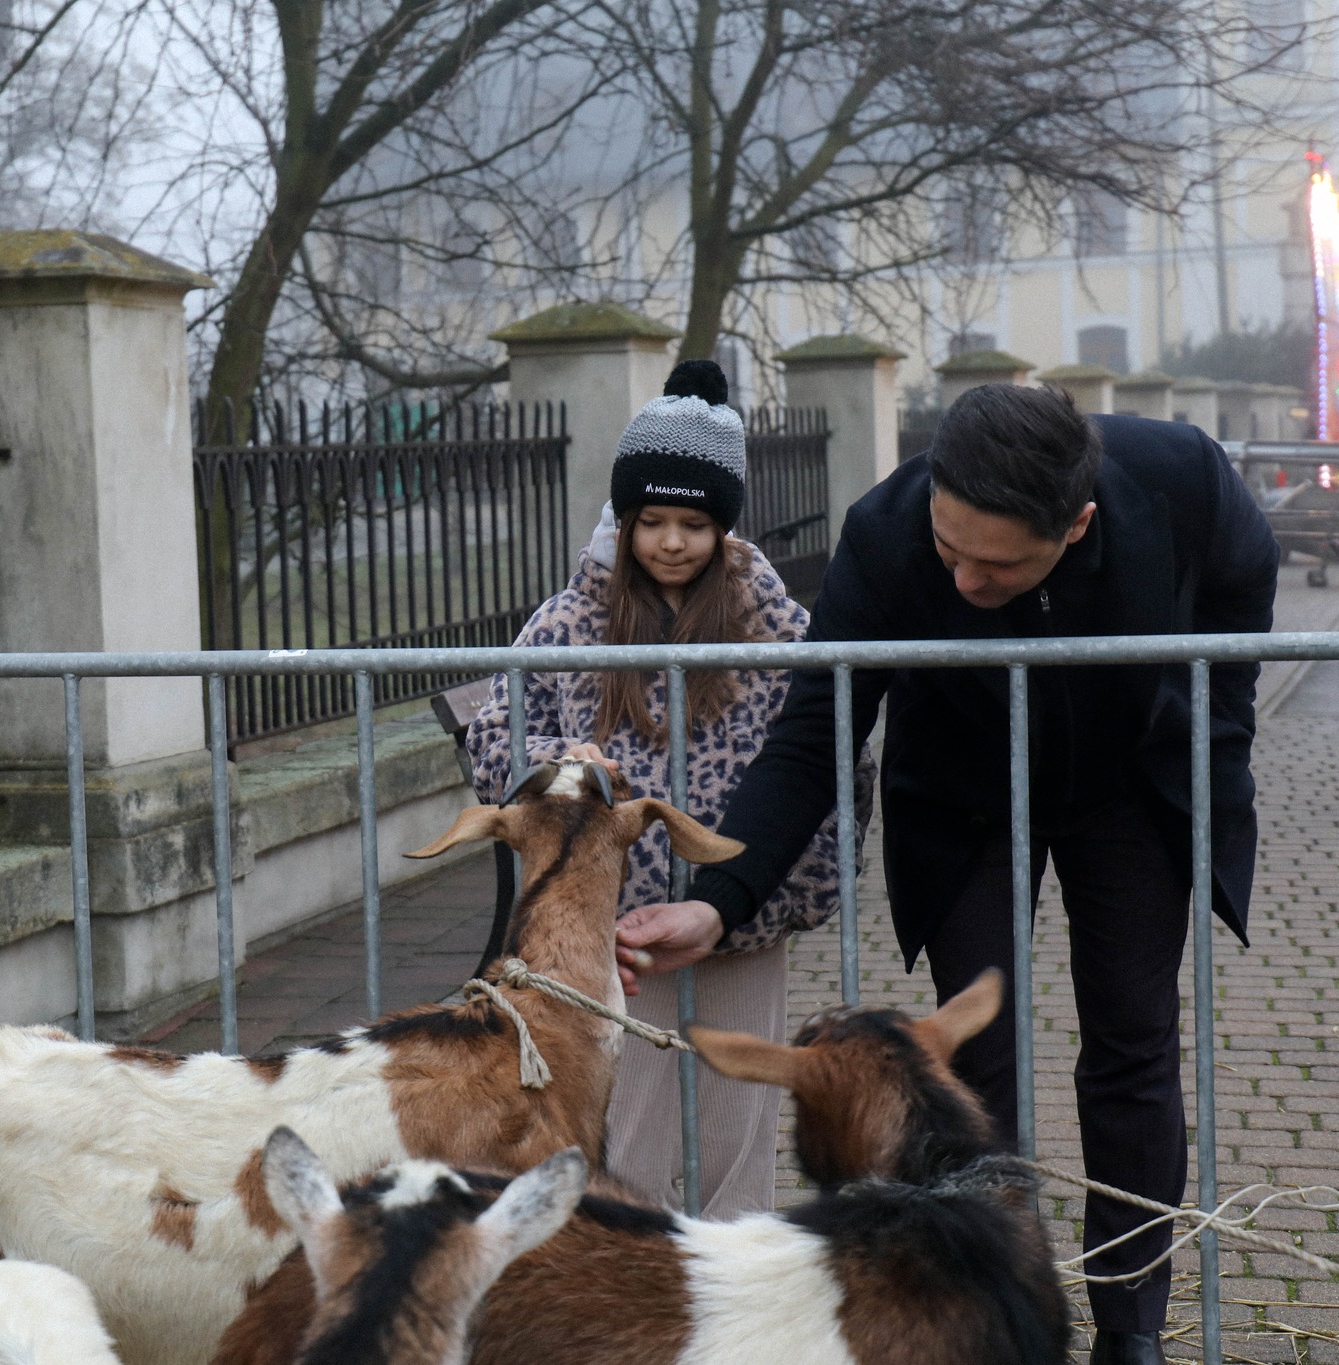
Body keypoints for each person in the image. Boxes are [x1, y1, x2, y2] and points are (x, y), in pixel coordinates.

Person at [617, 383, 1279, 1365]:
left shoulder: (1181, 481)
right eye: (949, 547)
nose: (964, 578)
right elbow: (813, 732)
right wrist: (717, 900)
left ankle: (1130, 1325)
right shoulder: (885, 532)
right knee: (975, 1061)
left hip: (1127, 791)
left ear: (1076, 524)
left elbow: (1241, 591)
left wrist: (1213, 732)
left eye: (998, 565)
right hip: (963, 802)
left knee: (1133, 1043)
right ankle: (989, 1317)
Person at [465, 359, 872, 1218]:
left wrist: (781, 886)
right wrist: (558, 762)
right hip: (614, 935)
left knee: (735, 1137)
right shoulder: (567, 623)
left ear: (725, 525)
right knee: (632, 1141)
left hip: (741, 922)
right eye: (650, 521)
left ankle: (730, 1288)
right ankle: (634, 1279)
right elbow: (496, 738)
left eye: (694, 522)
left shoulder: (777, 629)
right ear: (622, 520)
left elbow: (829, 759)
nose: (672, 542)